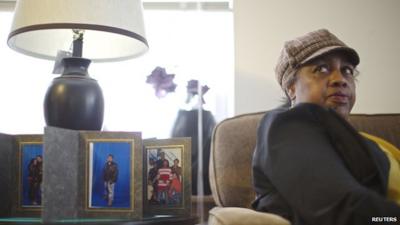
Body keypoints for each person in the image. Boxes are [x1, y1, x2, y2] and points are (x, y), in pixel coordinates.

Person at [252, 29, 400, 225]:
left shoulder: (369, 141)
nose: (341, 79)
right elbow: (347, 211)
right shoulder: (286, 126)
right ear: (291, 87)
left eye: (347, 70)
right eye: (321, 69)